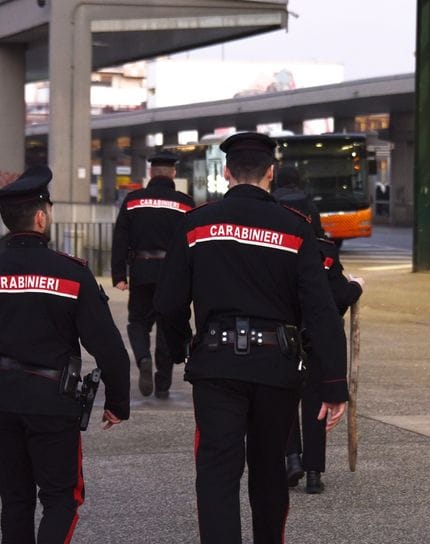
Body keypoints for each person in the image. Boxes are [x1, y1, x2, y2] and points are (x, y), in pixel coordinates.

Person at [154, 132, 349, 544]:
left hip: (216, 366)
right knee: (269, 474)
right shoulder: (295, 229)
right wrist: (333, 383)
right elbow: (320, 310)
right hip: (276, 369)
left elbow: (168, 303)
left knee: (217, 474)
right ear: (270, 174)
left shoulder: (196, 225)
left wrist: (181, 349)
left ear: (226, 173)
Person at [0, 165, 131, 544]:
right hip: (53, 403)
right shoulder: (71, 274)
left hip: (2, 403)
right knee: (62, 498)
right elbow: (107, 345)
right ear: (42, 217)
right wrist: (118, 401)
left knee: (15, 500)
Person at [111, 151, 195, 399]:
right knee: (167, 327)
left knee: (138, 323)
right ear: (173, 174)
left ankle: (143, 358)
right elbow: (193, 241)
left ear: (150, 173)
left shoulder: (133, 200)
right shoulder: (185, 203)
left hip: (142, 270)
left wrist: (119, 275)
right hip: (173, 274)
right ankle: (162, 384)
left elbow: (120, 239)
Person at [285, 235, 364, 494]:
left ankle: (291, 458)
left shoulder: (277, 242)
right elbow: (337, 299)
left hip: (284, 335)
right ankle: (313, 472)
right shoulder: (324, 251)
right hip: (318, 336)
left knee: (283, 397)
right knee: (315, 402)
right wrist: (356, 285)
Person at [272, 164, 323, 236]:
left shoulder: (271, 202)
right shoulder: (308, 203)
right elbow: (318, 233)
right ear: (298, 180)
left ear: (277, 180)